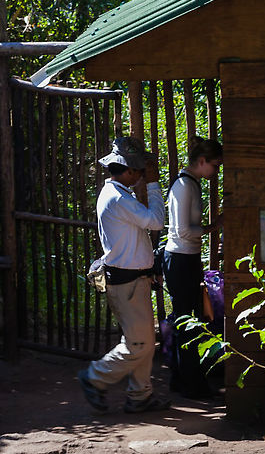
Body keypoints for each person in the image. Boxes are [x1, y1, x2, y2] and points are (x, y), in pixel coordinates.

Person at [77, 136, 169, 414]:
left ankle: (140, 396)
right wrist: (153, 185)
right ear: (129, 171)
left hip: (133, 280)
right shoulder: (118, 198)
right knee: (138, 342)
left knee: (142, 340)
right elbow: (156, 221)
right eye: (140, 171)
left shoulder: (118, 195)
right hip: (126, 283)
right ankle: (95, 377)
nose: (142, 176)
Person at [163, 136, 223, 399]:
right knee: (189, 323)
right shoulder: (185, 186)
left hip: (185, 259)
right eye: (216, 165)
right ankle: (192, 385)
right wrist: (214, 226)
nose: (217, 170)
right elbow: (183, 231)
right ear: (202, 161)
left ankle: (181, 379)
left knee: (187, 321)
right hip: (180, 260)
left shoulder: (190, 183)